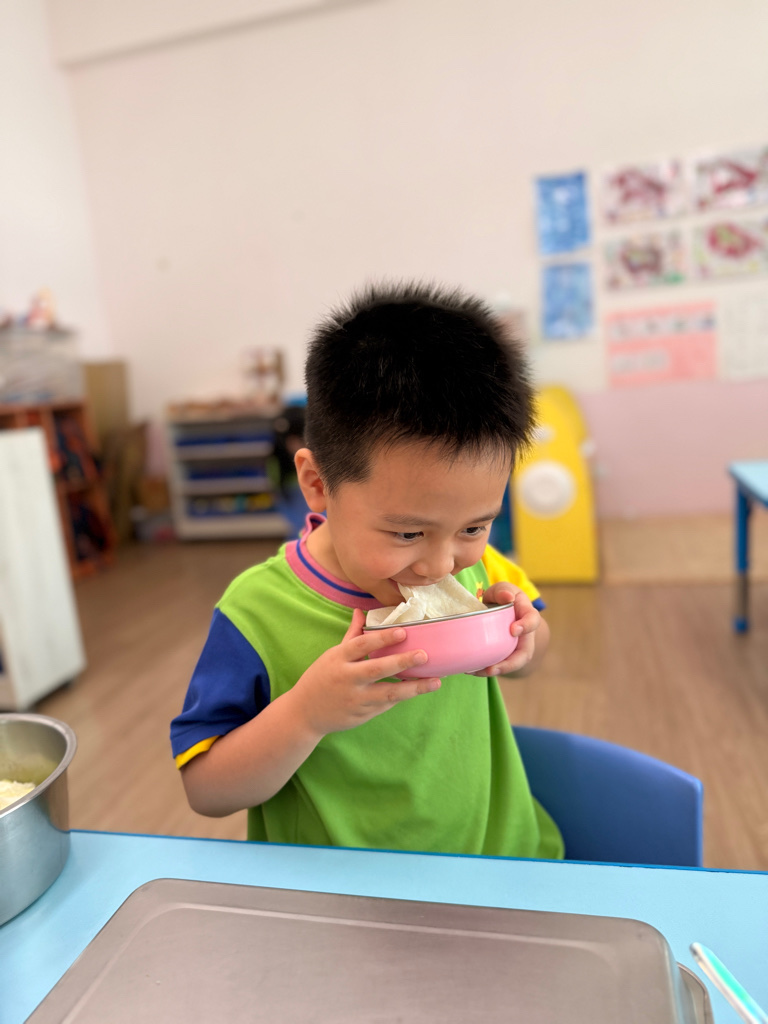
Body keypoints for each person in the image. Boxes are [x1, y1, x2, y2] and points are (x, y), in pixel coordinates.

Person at [171, 282, 564, 860]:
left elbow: (537, 650)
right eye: (407, 534)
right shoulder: (256, 613)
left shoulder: (483, 572)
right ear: (317, 484)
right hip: (340, 895)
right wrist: (306, 716)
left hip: (499, 864)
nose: (441, 564)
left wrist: (525, 640)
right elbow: (206, 791)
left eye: (475, 526)